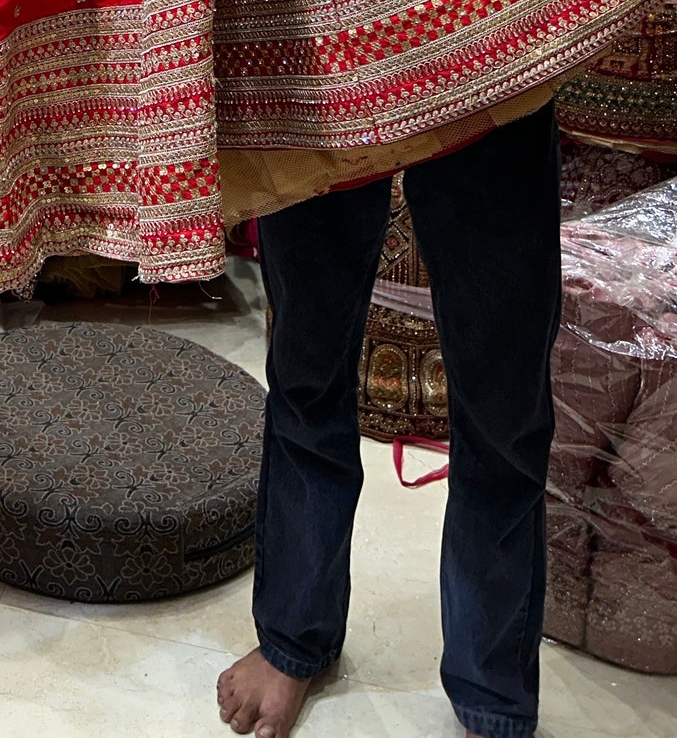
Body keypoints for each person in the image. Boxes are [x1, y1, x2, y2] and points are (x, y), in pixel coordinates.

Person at [216, 101, 560, 738]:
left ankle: (494, 694)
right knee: (308, 371)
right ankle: (295, 635)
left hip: (480, 22)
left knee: (504, 406)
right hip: (315, 31)